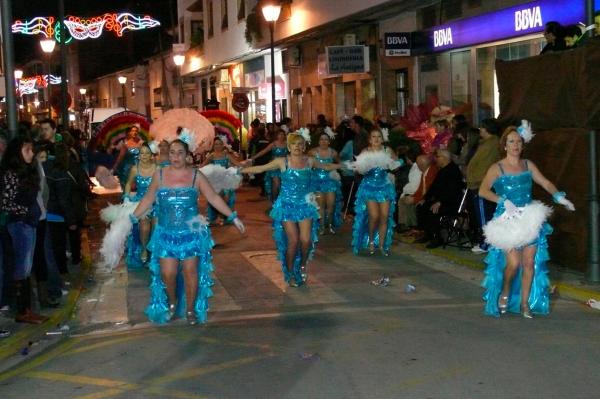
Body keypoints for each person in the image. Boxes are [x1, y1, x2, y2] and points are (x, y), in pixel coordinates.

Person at [131, 139, 244, 325]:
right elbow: (148, 199)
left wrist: (233, 216)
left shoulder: (196, 176)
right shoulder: (159, 176)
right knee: (168, 273)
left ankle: (191, 309)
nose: (175, 156)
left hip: (191, 234)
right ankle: (174, 303)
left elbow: (213, 197)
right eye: (172, 152)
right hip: (166, 234)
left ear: (187, 155)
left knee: (191, 271)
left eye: (180, 152)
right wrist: (133, 218)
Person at [479, 125, 575, 318]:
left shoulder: (528, 165)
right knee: (513, 263)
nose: (515, 145)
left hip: (528, 218)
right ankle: (505, 291)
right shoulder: (496, 168)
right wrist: (503, 201)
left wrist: (559, 197)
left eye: (519, 141)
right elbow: (483, 191)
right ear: (504, 145)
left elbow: (545, 182)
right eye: (511, 141)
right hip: (507, 220)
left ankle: (524, 304)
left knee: (529, 263)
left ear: (523, 145)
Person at [242, 131, 341, 287]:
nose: (298, 147)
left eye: (300, 144)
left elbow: (326, 166)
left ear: (304, 146)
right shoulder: (282, 161)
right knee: (293, 241)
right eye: (294, 144)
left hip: (305, 205)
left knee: (306, 240)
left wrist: (346, 165)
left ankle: (302, 264)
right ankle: (290, 272)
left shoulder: (310, 161)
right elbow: (261, 168)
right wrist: (239, 170)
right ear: (289, 146)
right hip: (287, 206)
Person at [0, 135, 47, 323]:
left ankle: (26, 308)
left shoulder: (26, 171)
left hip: (28, 222)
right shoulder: (11, 173)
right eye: (26, 150)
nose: (31, 153)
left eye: (31, 150)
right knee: (23, 266)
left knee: (26, 266)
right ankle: (22, 310)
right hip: (19, 224)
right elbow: (5, 202)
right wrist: (25, 212)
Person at [350, 129, 401, 256]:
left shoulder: (387, 150)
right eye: (374, 136)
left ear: (382, 139)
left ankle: (382, 245)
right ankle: (371, 240)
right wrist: (362, 167)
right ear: (370, 139)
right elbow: (358, 169)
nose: (376, 139)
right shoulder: (365, 152)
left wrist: (393, 163)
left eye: (379, 136)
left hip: (384, 186)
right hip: (369, 187)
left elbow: (397, 163)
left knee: (384, 216)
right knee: (374, 216)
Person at [416, 149, 464, 249]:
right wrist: (425, 198)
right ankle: (427, 234)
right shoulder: (442, 170)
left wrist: (439, 202)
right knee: (421, 207)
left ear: (445, 158)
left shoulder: (453, 171)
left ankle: (437, 238)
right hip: (440, 200)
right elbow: (433, 187)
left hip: (450, 202)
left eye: (437, 157)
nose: (435, 159)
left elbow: (452, 191)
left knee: (432, 211)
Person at [466, 119, 501, 253]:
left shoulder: (490, 145)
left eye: (481, 128)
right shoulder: (486, 144)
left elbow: (484, 166)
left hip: (482, 185)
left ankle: (487, 242)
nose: (480, 130)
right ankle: (487, 241)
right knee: (484, 215)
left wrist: (475, 180)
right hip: (479, 183)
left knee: (485, 216)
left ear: (487, 129)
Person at [123, 143, 157, 268]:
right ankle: (143, 249)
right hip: (141, 202)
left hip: (155, 201)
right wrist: (126, 196)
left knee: (157, 226)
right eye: (142, 153)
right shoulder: (134, 169)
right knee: (144, 228)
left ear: (152, 155)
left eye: (147, 153)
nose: (144, 156)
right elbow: (128, 183)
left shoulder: (157, 168)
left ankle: (153, 251)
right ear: (139, 155)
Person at [199, 136, 245, 225]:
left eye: (220, 144)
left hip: (226, 179)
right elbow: (203, 165)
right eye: (216, 144)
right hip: (215, 181)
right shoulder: (211, 156)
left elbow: (237, 163)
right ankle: (219, 216)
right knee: (218, 196)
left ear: (223, 145)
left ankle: (222, 216)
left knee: (226, 195)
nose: (217, 146)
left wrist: (245, 165)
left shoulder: (226, 155)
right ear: (213, 145)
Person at [308, 130, 342, 234]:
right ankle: (322, 227)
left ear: (329, 141)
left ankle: (330, 224)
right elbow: (308, 165)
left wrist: (339, 169)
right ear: (318, 141)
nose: (323, 141)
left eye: (326, 139)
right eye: (321, 139)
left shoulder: (333, 152)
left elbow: (339, 162)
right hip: (317, 182)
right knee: (320, 206)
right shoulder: (313, 152)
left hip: (330, 181)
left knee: (331, 205)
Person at [250, 128, 288, 201]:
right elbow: (263, 152)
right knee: (277, 183)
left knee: (281, 185)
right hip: (274, 166)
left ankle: (278, 202)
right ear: (277, 135)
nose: (282, 136)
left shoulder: (287, 144)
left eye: (283, 134)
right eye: (280, 134)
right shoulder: (273, 144)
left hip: (284, 167)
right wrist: (253, 157)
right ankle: (274, 202)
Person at [112, 125, 144, 190]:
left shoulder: (141, 143)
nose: (134, 132)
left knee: (139, 187)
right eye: (132, 131)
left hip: (140, 166)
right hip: (128, 168)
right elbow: (120, 156)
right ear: (129, 132)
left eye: (136, 131)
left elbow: (147, 154)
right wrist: (115, 166)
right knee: (129, 187)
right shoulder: (126, 144)